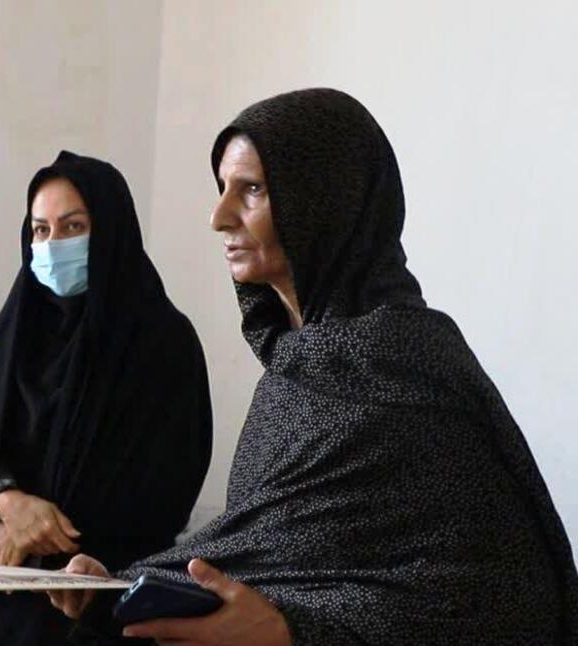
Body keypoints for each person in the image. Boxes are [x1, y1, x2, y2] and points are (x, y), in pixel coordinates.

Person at [50, 88, 578, 644]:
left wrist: (293, 630)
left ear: (325, 202)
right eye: (222, 188)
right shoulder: (289, 373)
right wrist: (124, 586)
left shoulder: (407, 367)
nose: (219, 217)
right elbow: (265, 555)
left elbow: (500, 596)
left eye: (252, 190)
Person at [0, 151, 213, 644]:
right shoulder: (16, 334)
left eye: (73, 227)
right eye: (40, 230)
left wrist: (38, 530)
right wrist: (9, 502)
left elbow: (165, 486)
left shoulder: (162, 342)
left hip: (99, 591)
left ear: (111, 231)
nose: (52, 245)